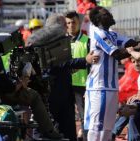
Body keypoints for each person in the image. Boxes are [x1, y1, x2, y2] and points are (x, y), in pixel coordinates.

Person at [84, 6, 140, 141]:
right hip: (98, 88)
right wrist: (135, 49)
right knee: (96, 126)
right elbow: (117, 54)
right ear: (98, 19)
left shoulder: (112, 34)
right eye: (105, 13)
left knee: (108, 126)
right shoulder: (98, 34)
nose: (110, 14)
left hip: (112, 87)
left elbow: (130, 43)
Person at [0, 42, 62, 139]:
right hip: (0, 97)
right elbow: (8, 88)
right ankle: (49, 132)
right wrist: (23, 80)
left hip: (0, 93)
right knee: (34, 95)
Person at [64, 10, 90, 140]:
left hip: (82, 86)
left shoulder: (87, 41)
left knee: (84, 117)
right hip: (65, 85)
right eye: (68, 23)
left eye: (73, 22)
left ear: (78, 23)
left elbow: (92, 67)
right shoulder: (61, 42)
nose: (71, 25)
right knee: (66, 118)